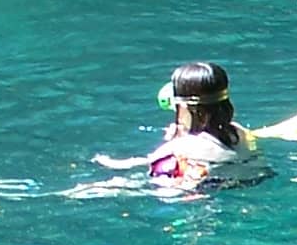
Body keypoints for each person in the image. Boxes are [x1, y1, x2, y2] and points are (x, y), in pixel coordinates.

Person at [93, 62, 263, 192]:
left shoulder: (179, 147)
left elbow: (158, 170)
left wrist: (175, 142)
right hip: (251, 182)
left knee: (113, 186)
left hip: (196, 193)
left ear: (184, 108)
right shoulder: (241, 133)